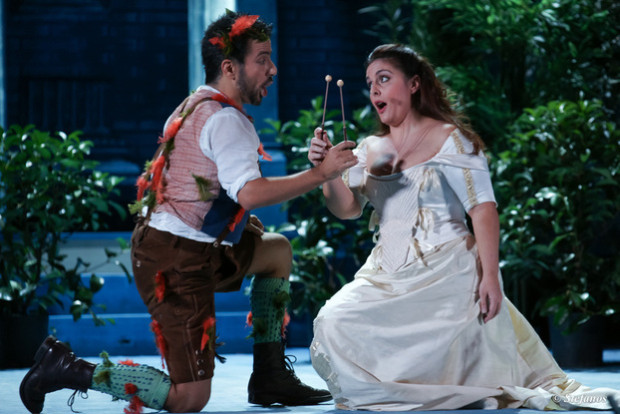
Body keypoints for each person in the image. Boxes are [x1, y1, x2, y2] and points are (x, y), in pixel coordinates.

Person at [19, 10, 357, 414]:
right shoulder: (226, 120)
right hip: (174, 261)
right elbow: (249, 193)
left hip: (192, 247)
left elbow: (203, 192)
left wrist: (240, 220)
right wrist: (321, 173)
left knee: (276, 250)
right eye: (263, 59)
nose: (273, 69)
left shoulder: (195, 103)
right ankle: (67, 368)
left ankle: (270, 376)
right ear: (229, 68)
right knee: (190, 398)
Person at [307, 43, 620, 411]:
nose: (374, 88)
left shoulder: (451, 139)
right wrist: (326, 173)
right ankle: (410, 394)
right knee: (332, 321)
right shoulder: (369, 147)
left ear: (414, 84)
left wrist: (491, 277)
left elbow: (483, 209)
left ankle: (442, 390)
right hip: (386, 273)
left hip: (449, 270)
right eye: (370, 82)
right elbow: (347, 210)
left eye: (385, 78)